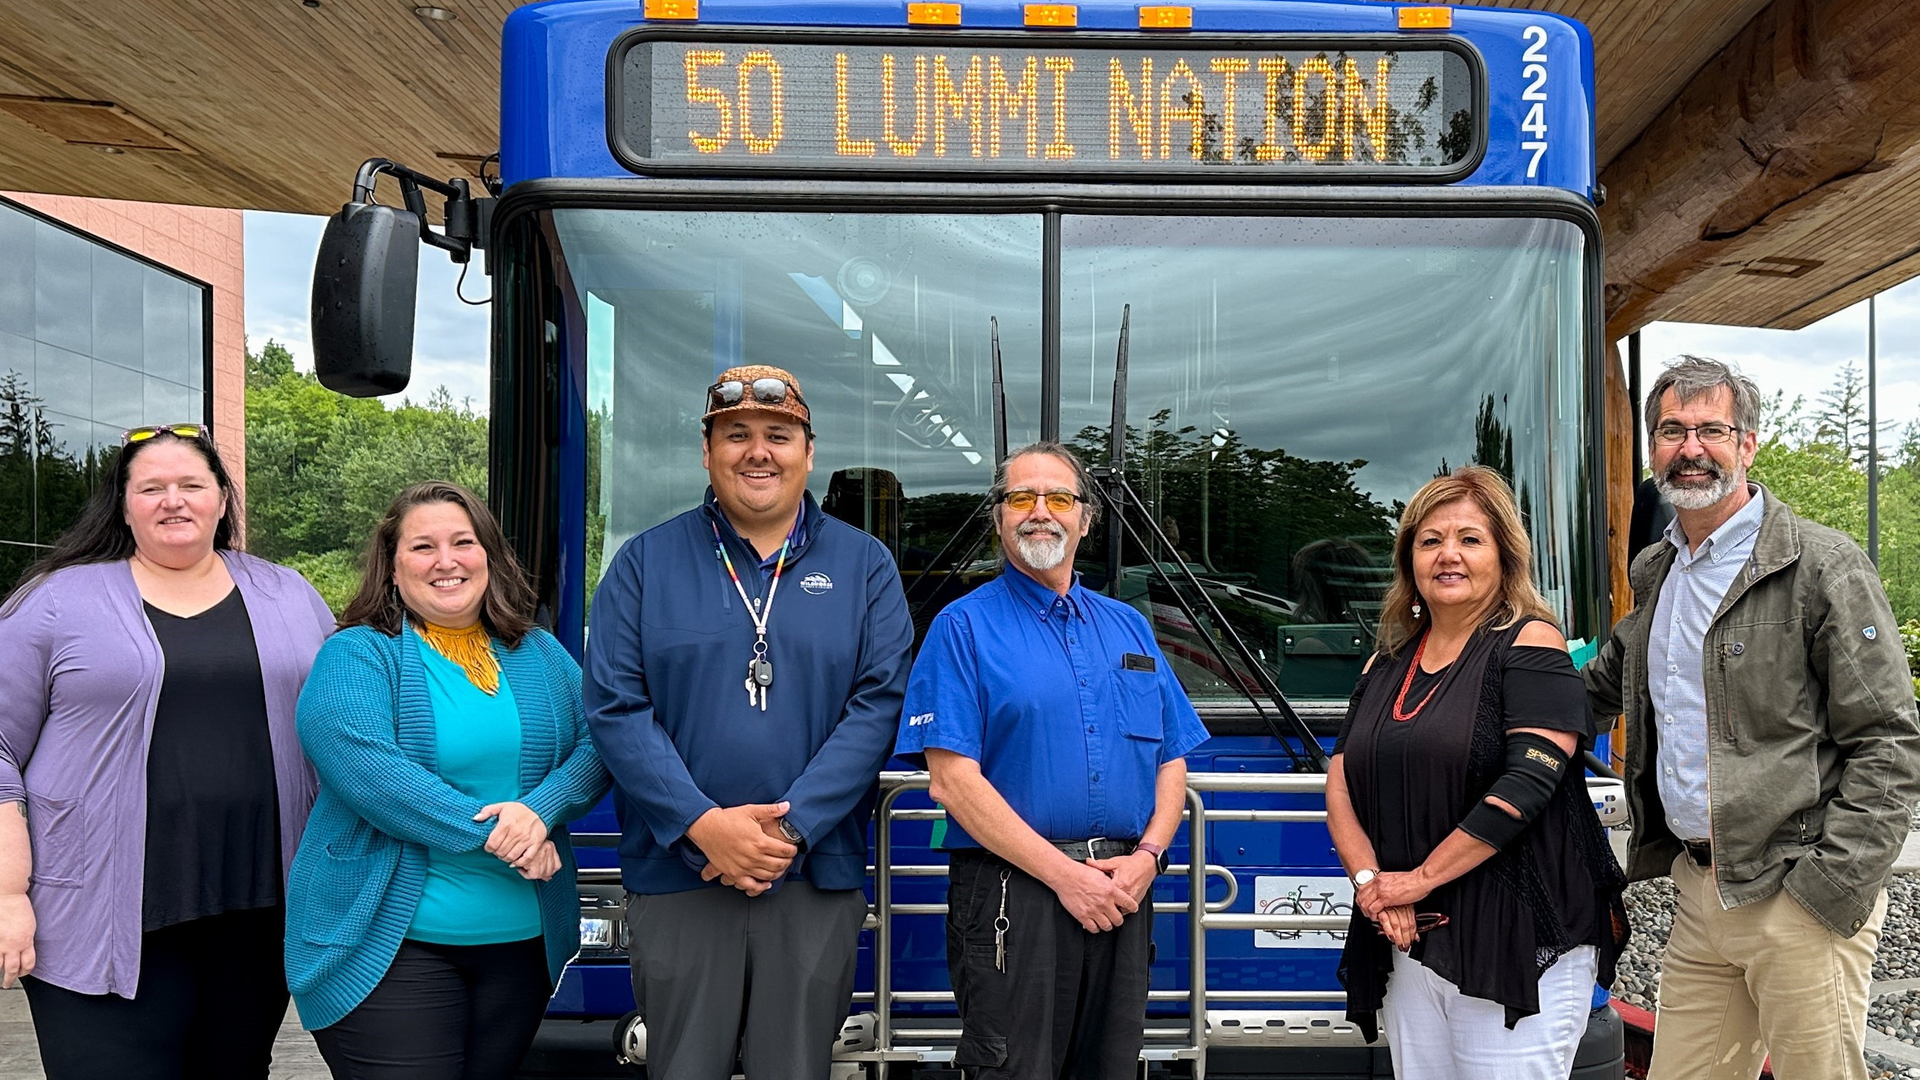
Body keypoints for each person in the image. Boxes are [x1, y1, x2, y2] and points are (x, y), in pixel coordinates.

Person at [1584, 356, 1920, 1080]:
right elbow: (1595, 689)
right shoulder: (1659, 571)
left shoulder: (1822, 567)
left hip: (1796, 892)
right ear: (1652, 450)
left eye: (1711, 429)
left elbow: (1889, 741)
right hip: (1700, 892)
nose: (1691, 448)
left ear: (1748, 444)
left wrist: (1830, 888)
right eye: (1672, 430)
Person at [584, 365, 913, 1080]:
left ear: (808, 453)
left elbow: (879, 704)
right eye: (736, 434)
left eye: (778, 435)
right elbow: (615, 707)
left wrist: (791, 830)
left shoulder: (866, 567)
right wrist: (702, 825)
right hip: (680, 873)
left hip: (812, 874)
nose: (758, 451)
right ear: (707, 453)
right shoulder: (643, 564)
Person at [0, 422, 334, 1080]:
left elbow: (347, 720)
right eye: (151, 488)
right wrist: (9, 894)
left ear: (221, 499)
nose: (173, 500)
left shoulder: (288, 593)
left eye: (191, 484)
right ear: (123, 506)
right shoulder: (54, 602)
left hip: (258, 908)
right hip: (97, 912)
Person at [894, 441, 1210, 1080]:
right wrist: (1067, 877)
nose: (1040, 511)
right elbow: (952, 782)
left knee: (1111, 1067)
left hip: (1122, 889)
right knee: (1015, 1068)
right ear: (999, 517)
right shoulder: (961, 627)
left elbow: (1170, 759)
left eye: (1059, 498)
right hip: (1014, 893)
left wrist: (1148, 858)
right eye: (1021, 497)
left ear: (1086, 519)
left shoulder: (1129, 627)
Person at [286, 481, 610, 1080]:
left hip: (520, 949)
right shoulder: (357, 654)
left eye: (463, 542)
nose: (446, 561)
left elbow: (603, 742)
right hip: (389, 948)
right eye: (423, 547)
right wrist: (502, 834)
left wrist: (541, 810)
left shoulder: (539, 653)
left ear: (488, 555)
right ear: (392, 568)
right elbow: (368, 770)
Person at [1327, 465, 1627, 1080]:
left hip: (1515, 935)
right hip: (1410, 935)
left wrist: (1416, 881)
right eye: (1430, 540)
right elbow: (1341, 781)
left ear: (1504, 557)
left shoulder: (1531, 643)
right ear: (1409, 560)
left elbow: (1528, 784)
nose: (1449, 555)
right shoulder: (1385, 663)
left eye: (1470, 539)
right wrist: (1374, 884)